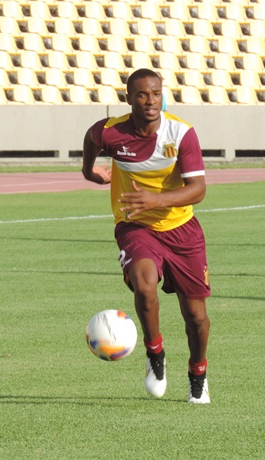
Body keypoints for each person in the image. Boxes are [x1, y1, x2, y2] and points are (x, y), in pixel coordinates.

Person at [82, 68, 211, 404]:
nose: (150, 100)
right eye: (142, 94)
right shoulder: (112, 132)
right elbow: (91, 138)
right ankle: (155, 354)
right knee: (143, 284)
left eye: (155, 93)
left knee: (196, 317)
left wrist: (157, 199)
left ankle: (198, 373)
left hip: (181, 230)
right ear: (129, 99)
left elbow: (198, 190)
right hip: (135, 225)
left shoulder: (181, 133)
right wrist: (89, 170)